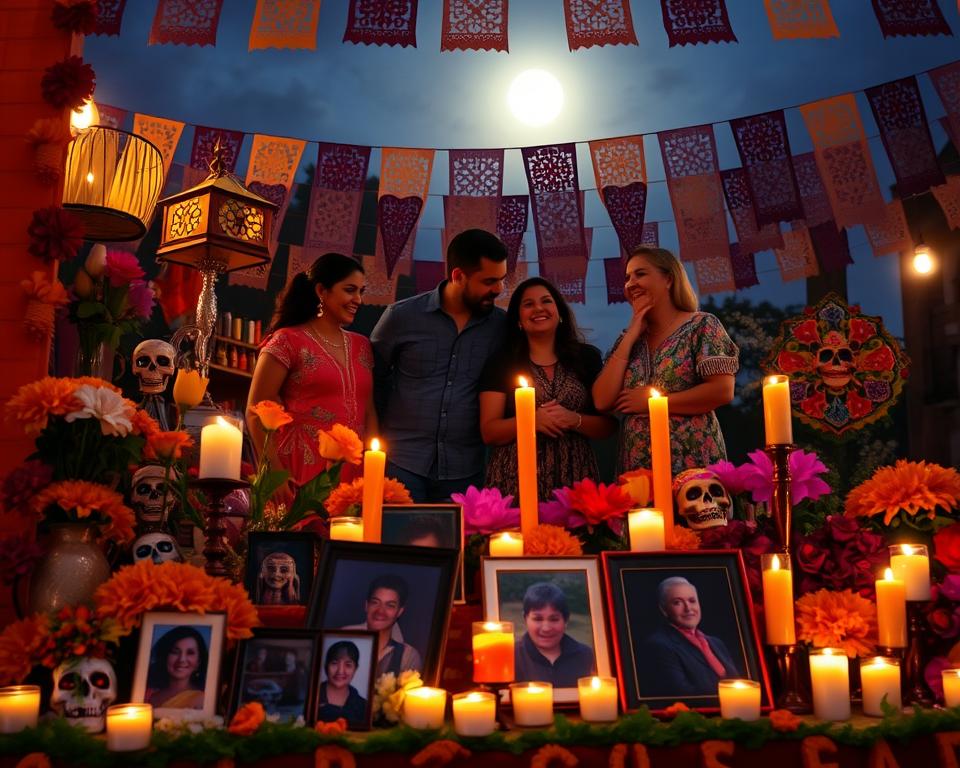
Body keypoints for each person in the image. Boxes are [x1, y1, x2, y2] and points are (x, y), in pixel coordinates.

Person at [371, 229, 508, 502]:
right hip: (401, 463)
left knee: (457, 545)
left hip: (465, 470)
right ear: (458, 276)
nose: (499, 289)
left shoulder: (501, 326)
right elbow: (370, 381)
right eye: (490, 281)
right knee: (397, 544)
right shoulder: (401, 317)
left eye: (502, 279)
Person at [592, 247, 738, 476]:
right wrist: (631, 333)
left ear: (668, 279)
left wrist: (654, 403)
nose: (631, 283)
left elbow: (722, 390)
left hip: (692, 469)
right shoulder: (629, 340)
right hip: (638, 473)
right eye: (628, 277)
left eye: (640, 274)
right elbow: (602, 400)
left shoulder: (701, 325)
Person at [247, 253, 376, 490]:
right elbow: (256, 411)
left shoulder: (362, 346)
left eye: (361, 291)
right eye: (349, 290)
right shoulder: (287, 341)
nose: (358, 299)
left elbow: (369, 412)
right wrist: (275, 477)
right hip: (298, 471)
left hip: (353, 474)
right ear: (321, 291)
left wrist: (372, 471)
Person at [479, 277, 616, 498]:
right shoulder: (501, 362)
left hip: (577, 484)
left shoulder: (586, 358)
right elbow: (489, 432)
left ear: (559, 312)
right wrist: (531, 421)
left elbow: (608, 426)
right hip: (514, 486)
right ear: (518, 319)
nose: (539, 308)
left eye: (546, 301)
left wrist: (574, 419)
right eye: (528, 304)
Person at [639, 577, 742, 696]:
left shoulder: (716, 643)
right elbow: (684, 693)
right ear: (663, 610)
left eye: (692, 601)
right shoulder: (659, 645)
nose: (688, 608)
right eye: (677, 602)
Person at [514, 582, 595, 688]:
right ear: (525, 619)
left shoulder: (586, 656)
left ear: (565, 620)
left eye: (554, 619)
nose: (546, 628)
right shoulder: (511, 657)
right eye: (537, 619)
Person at [342, 574, 422, 677]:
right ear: (366, 605)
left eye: (390, 605)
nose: (380, 611)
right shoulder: (344, 636)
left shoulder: (408, 656)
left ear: (399, 612)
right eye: (375, 602)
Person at [145, 626, 208, 709]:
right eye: (175, 652)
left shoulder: (201, 700)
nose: (182, 659)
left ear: (198, 662)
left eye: (190, 653)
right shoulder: (149, 693)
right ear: (165, 656)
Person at [316, 641, 369, 726]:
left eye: (348, 665)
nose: (340, 671)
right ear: (326, 666)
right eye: (334, 663)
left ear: (355, 669)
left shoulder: (364, 706)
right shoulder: (312, 699)